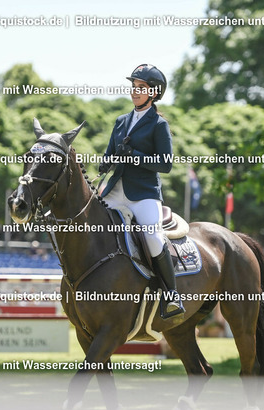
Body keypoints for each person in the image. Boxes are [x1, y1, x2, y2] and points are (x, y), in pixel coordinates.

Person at [99, 64, 184, 319]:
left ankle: (171, 294)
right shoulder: (121, 121)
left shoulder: (159, 124)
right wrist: (106, 162)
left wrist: (134, 155)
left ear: (153, 93)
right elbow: (110, 153)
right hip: (116, 190)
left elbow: (165, 164)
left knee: (153, 237)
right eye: (134, 87)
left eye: (141, 88)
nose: (135, 91)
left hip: (144, 194)